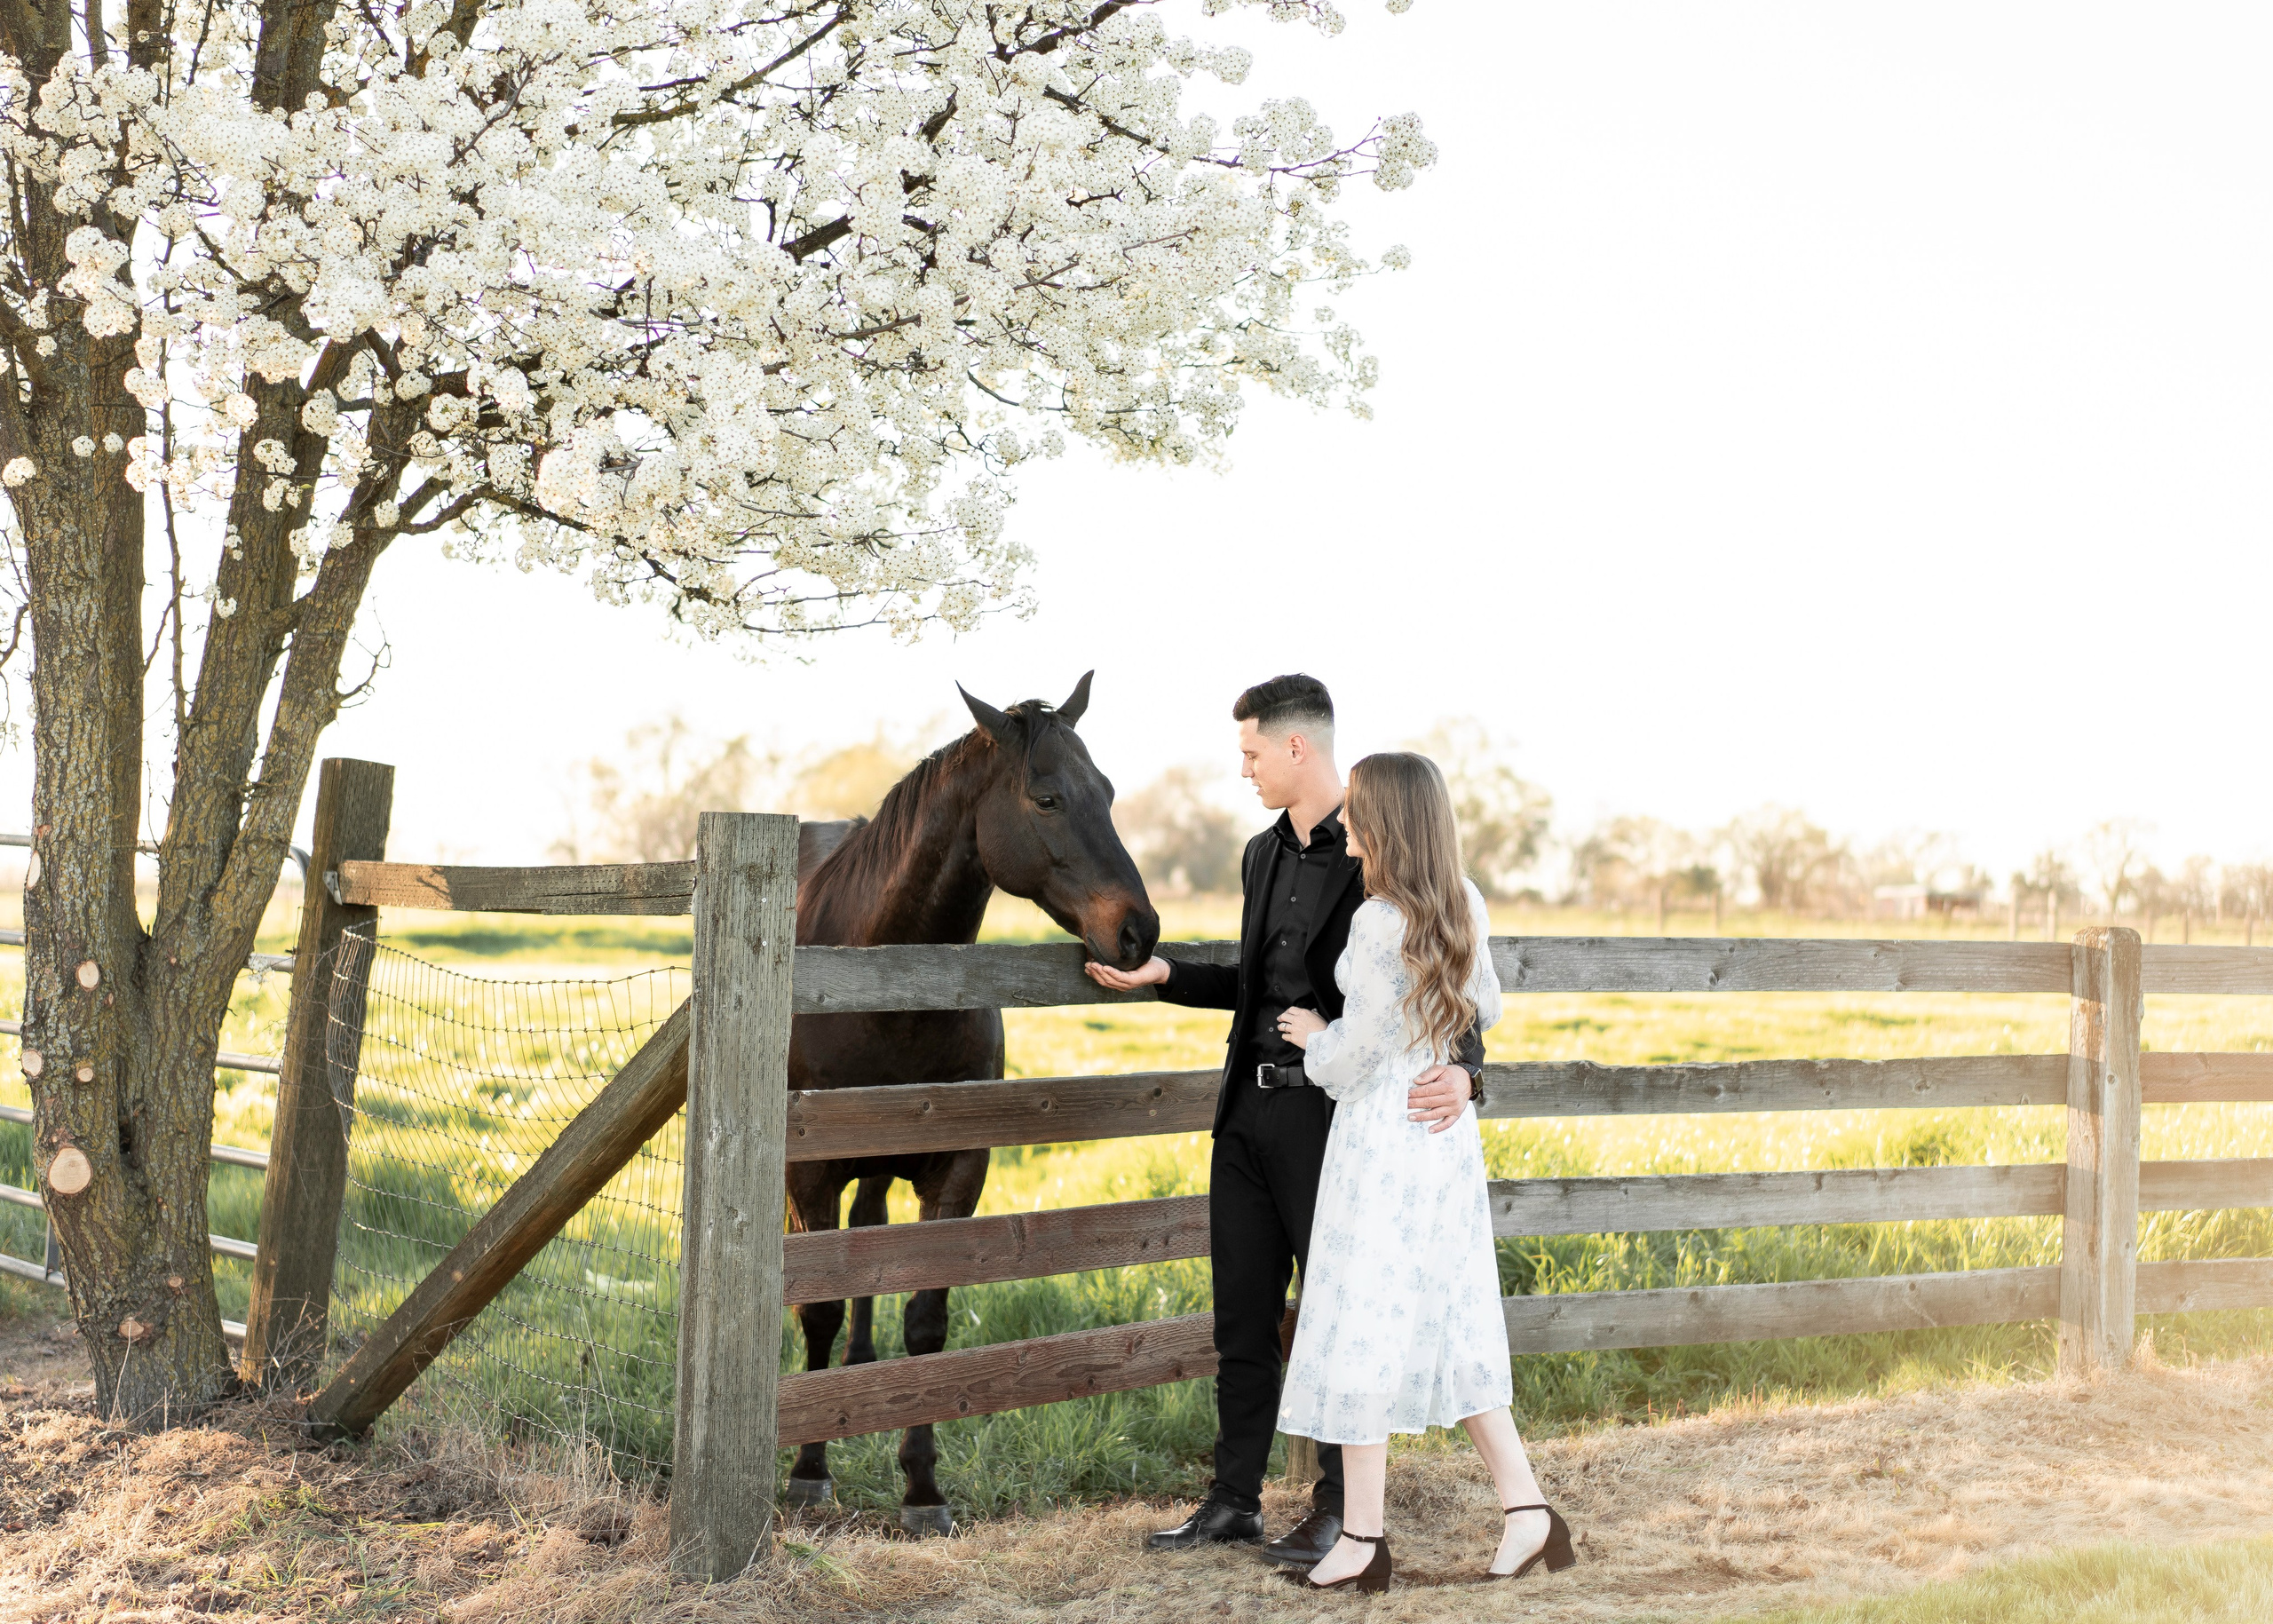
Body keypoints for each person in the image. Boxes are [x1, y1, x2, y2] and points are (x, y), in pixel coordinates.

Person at [1084, 675, 1484, 1569]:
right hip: (1245, 1117)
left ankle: (1344, 1512)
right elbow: (1253, 982)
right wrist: (1167, 976)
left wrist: (1466, 1072)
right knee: (1243, 1320)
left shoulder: (1383, 846)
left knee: (1342, 1318)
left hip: (1333, 1123)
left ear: (1296, 748)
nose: (1245, 771)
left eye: (1252, 754)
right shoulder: (1261, 853)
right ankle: (1232, 1502)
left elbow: (1446, 971)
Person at [1272, 751, 1572, 1593]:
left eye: (1357, 813)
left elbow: (1356, 1055)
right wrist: (1456, 1065)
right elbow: (1489, 1005)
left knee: (1363, 1320)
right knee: (1448, 1315)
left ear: (1386, 823)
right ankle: (1528, 1512)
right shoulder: (1464, 901)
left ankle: (1366, 1538)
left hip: (1384, 1137)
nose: (1346, 828)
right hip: (1442, 1141)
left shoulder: (1377, 923)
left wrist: (1312, 1036)